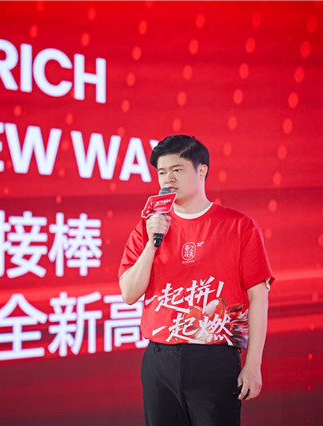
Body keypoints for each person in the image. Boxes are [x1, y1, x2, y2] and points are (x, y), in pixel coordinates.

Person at [118, 135, 274, 426]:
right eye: (162, 172)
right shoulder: (148, 227)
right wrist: (152, 243)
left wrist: (253, 364)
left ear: (201, 171)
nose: (168, 178)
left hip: (215, 357)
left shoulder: (240, 226)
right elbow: (128, 293)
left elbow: (258, 297)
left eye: (177, 170)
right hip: (159, 358)